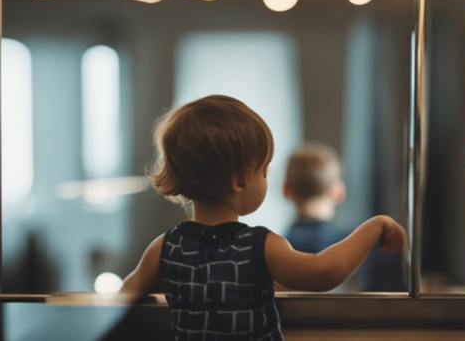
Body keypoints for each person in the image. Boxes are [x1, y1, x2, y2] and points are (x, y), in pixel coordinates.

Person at [120, 95, 406, 340]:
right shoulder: (259, 245)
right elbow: (324, 271)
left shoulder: (164, 248)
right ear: (239, 180)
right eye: (264, 171)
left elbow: (121, 300)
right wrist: (375, 225)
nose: (267, 178)